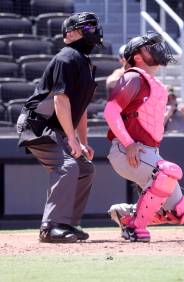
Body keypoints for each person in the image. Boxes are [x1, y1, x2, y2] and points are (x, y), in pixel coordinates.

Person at [16, 12, 104, 243]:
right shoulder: (66, 58)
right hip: (37, 124)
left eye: (93, 27)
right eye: (87, 27)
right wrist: (72, 139)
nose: (93, 31)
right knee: (66, 166)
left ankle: (66, 223)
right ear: (70, 34)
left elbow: (81, 107)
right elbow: (60, 100)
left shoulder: (85, 63)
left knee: (85, 169)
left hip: (55, 127)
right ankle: (50, 227)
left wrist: (83, 141)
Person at [104, 31, 184, 242]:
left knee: (181, 212)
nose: (157, 48)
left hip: (149, 152)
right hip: (127, 150)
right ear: (137, 57)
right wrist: (129, 143)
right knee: (167, 173)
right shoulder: (133, 76)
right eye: (149, 47)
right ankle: (136, 228)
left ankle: (127, 215)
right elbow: (110, 111)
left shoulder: (155, 84)